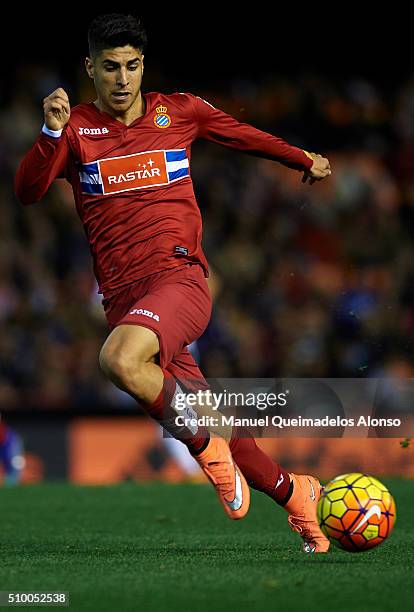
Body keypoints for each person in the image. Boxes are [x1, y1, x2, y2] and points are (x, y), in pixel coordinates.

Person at [15, 14, 331, 552]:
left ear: (144, 67)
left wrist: (302, 158)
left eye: (132, 66)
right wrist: (48, 132)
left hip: (180, 282)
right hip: (125, 301)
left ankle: (204, 447)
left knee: (119, 362)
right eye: (110, 67)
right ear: (91, 68)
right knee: (203, 413)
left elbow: (241, 134)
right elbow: (27, 191)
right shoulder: (74, 130)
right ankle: (297, 494)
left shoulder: (178, 111)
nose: (121, 79)